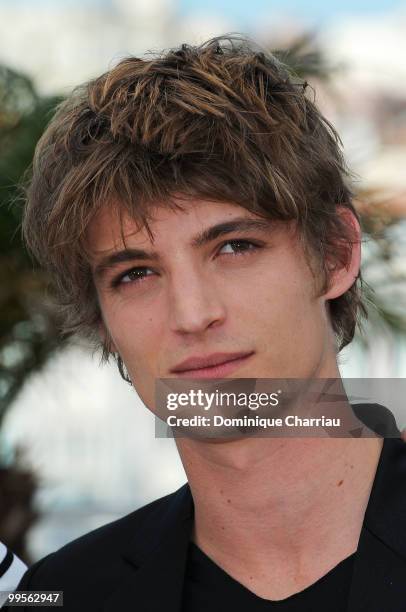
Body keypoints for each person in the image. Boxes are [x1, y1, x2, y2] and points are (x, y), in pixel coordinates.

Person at [10, 35, 406, 611]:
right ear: (101, 319)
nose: (192, 315)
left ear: (336, 254)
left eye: (235, 247)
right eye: (136, 274)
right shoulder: (67, 593)